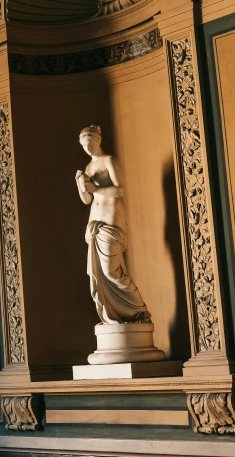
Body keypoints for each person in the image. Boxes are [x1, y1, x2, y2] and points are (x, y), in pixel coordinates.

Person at [75, 125, 151, 324]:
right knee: (98, 274)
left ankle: (140, 311)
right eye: (83, 145)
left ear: (97, 141)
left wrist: (94, 187)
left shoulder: (109, 160)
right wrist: (81, 187)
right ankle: (114, 316)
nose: (87, 148)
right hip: (95, 223)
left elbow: (120, 191)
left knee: (111, 271)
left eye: (89, 143)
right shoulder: (89, 167)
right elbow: (87, 200)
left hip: (111, 222)